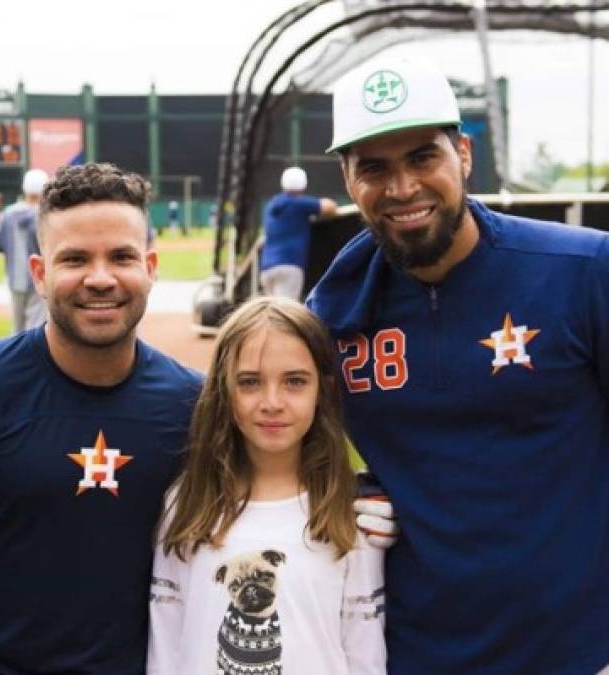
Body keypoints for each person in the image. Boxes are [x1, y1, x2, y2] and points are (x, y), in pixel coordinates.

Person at [307, 55, 609, 674]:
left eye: (423, 157)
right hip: (412, 651)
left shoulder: (583, 271)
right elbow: (273, 453)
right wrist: (344, 490)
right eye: (374, 169)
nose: (402, 188)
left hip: (579, 647)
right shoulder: (328, 313)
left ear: (463, 155)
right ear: (347, 180)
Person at [0, 162, 202, 674]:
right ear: (40, 274)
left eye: (122, 256)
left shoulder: (195, 406)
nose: (101, 278)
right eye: (76, 259)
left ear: (150, 266)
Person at [147, 296, 386, 674]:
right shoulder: (186, 505)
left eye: (294, 381)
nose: (272, 402)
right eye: (250, 382)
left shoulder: (351, 513)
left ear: (322, 389)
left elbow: (364, 650)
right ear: (224, 391)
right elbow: (165, 643)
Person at [260, 166, 337, 301]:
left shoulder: (273, 204)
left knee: (273, 312)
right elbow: (330, 207)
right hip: (289, 266)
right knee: (285, 314)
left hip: (267, 268)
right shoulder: (298, 204)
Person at [0, 168, 48, 333]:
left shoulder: (9, 213)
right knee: (36, 324)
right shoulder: (45, 214)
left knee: (17, 326)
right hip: (39, 275)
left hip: (14, 277)